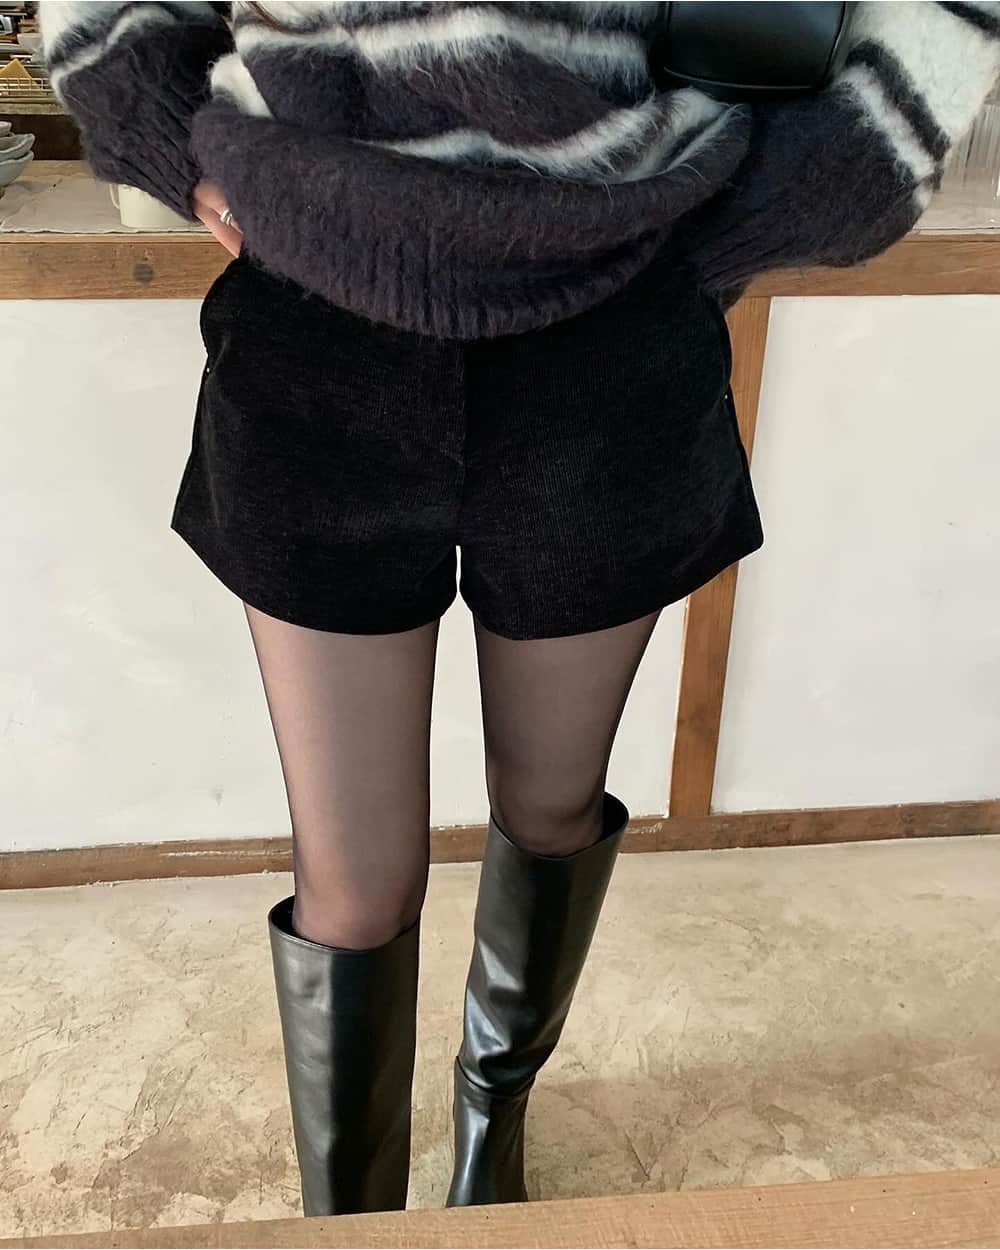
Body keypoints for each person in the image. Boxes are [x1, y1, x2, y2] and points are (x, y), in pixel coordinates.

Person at [40, 0, 1000, 1218]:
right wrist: (171, 137)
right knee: (352, 880)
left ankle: (493, 1124)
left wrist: (781, 204)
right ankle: (354, 1217)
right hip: (315, 326)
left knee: (550, 806)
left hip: (613, 337)